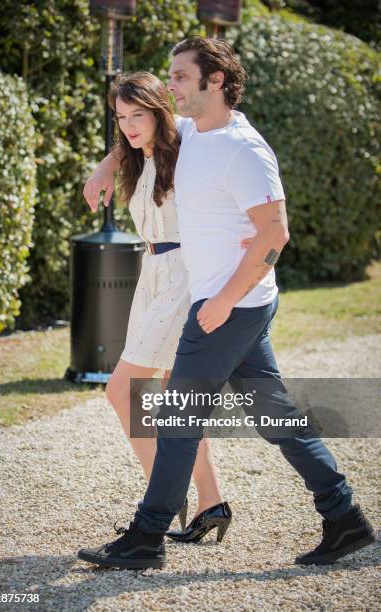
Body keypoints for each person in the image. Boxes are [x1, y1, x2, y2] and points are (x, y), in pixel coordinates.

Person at [78, 37, 375, 571]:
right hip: (227, 303)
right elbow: (141, 134)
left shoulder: (243, 148)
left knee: (175, 420)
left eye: (180, 77)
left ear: (215, 81)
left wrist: (223, 302)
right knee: (275, 417)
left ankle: (146, 538)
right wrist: (106, 165)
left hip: (226, 307)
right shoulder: (194, 131)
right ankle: (345, 516)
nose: (170, 86)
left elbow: (275, 233)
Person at [83, 71, 241, 538]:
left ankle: (160, 500)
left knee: (122, 390)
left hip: (186, 277)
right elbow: (128, 145)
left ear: (159, 110)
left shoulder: (187, 143)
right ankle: (211, 503)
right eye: (121, 117)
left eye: (138, 115)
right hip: (151, 275)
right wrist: (106, 165)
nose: (129, 126)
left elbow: (205, 136)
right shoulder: (137, 156)